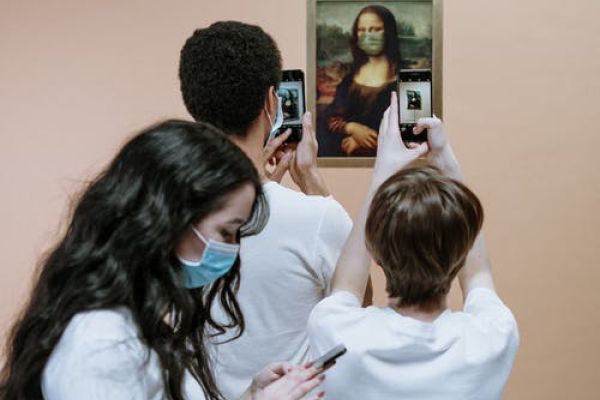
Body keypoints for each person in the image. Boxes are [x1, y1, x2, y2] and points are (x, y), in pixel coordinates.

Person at [0, 120, 325, 400]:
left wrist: (251, 396)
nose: (232, 249)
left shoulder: (146, 319)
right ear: (169, 219)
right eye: (226, 232)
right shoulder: (102, 345)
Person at [179, 21, 355, 399]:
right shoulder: (317, 218)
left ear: (192, 105)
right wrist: (313, 184)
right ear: (272, 101)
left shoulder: (162, 213)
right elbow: (354, 308)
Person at [309, 93, 519, 399]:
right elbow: (478, 274)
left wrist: (382, 171)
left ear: (374, 253)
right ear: (461, 255)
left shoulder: (339, 335)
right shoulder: (492, 338)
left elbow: (346, 286)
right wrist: (444, 157)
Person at [326, 5, 400, 156]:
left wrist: (367, 143)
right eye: (362, 30)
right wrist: (352, 128)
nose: (368, 35)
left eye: (375, 29)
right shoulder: (349, 79)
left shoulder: (401, 78)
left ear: (388, 32)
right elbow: (332, 119)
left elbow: (408, 132)